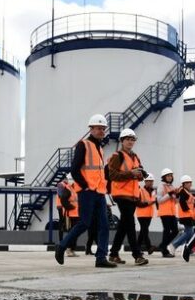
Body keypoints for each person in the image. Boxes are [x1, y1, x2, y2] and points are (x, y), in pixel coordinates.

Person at [55, 114, 117, 268]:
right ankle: (62, 246)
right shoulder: (83, 145)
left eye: (103, 128)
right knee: (84, 223)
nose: (101, 131)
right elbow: (74, 170)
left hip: (99, 193)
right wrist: (85, 186)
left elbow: (99, 172)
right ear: (91, 129)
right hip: (87, 192)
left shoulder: (100, 148)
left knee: (104, 225)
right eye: (98, 128)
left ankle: (101, 257)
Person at [107, 128, 149, 266]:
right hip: (121, 194)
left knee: (124, 225)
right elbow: (112, 175)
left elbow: (139, 175)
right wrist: (131, 173)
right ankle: (137, 255)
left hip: (132, 195)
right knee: (130, 224)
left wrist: (141, 175)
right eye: (127, 139)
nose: (130, 142)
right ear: (122, 141)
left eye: (132, 140)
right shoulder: (117, 156)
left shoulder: (135, 157)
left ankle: (113, 254)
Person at [170, 175, 195, 253]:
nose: (189, 184)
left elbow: (189, 202)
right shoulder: (183, 192)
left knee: (190, 232)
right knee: (189, 232)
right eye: (187, 183)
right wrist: (189, 211)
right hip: (186, 215)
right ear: (183, 184)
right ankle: (174, 245)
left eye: (190, 182)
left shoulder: (185, 191)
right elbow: (182, 203)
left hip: (188, 215)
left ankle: (188, 248)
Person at [155, 168, 178, 258]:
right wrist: (169, 194)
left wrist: (177, 196)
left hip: (172, 212)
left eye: (171, 176)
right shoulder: (161, 186)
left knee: (175, 231)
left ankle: (162, 245)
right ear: (164, 177)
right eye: (168, 176)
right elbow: (159, 200)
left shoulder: (171, 186)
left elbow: (175, 201)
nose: (170, 177)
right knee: (167, 231)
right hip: (164, 212)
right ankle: (164, 250)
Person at [58, 174, 81, 257]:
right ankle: (68, 248)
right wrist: (71, 207)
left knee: (75, 232)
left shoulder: (75, 188)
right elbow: (63, 200)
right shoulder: (68, 188)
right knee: (72, 232)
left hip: (77, 214)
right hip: (71, 214)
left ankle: (71, 249)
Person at [136, 174, 156, 254]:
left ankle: (137, 248)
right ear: (145, 181)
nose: (150, 183)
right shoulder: (140, 190)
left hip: (149, 214)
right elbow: (138, 203)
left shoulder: (153, 191)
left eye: (151, 181)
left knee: (143, 231)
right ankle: (149, 247)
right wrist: (148, 203)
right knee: (145, 230)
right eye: (148, 181)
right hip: (141, 214)